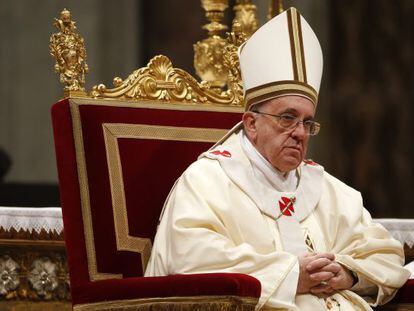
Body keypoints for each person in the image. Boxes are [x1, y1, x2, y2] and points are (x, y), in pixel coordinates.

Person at [145, 7, 410, 310]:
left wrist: (349, 273)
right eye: (287, 118)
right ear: (251, 123)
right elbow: (190, 257)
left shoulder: (327, 190)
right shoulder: (207, 182)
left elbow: (385, 251)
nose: (300, 132)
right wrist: (291, 275)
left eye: (308, 123)